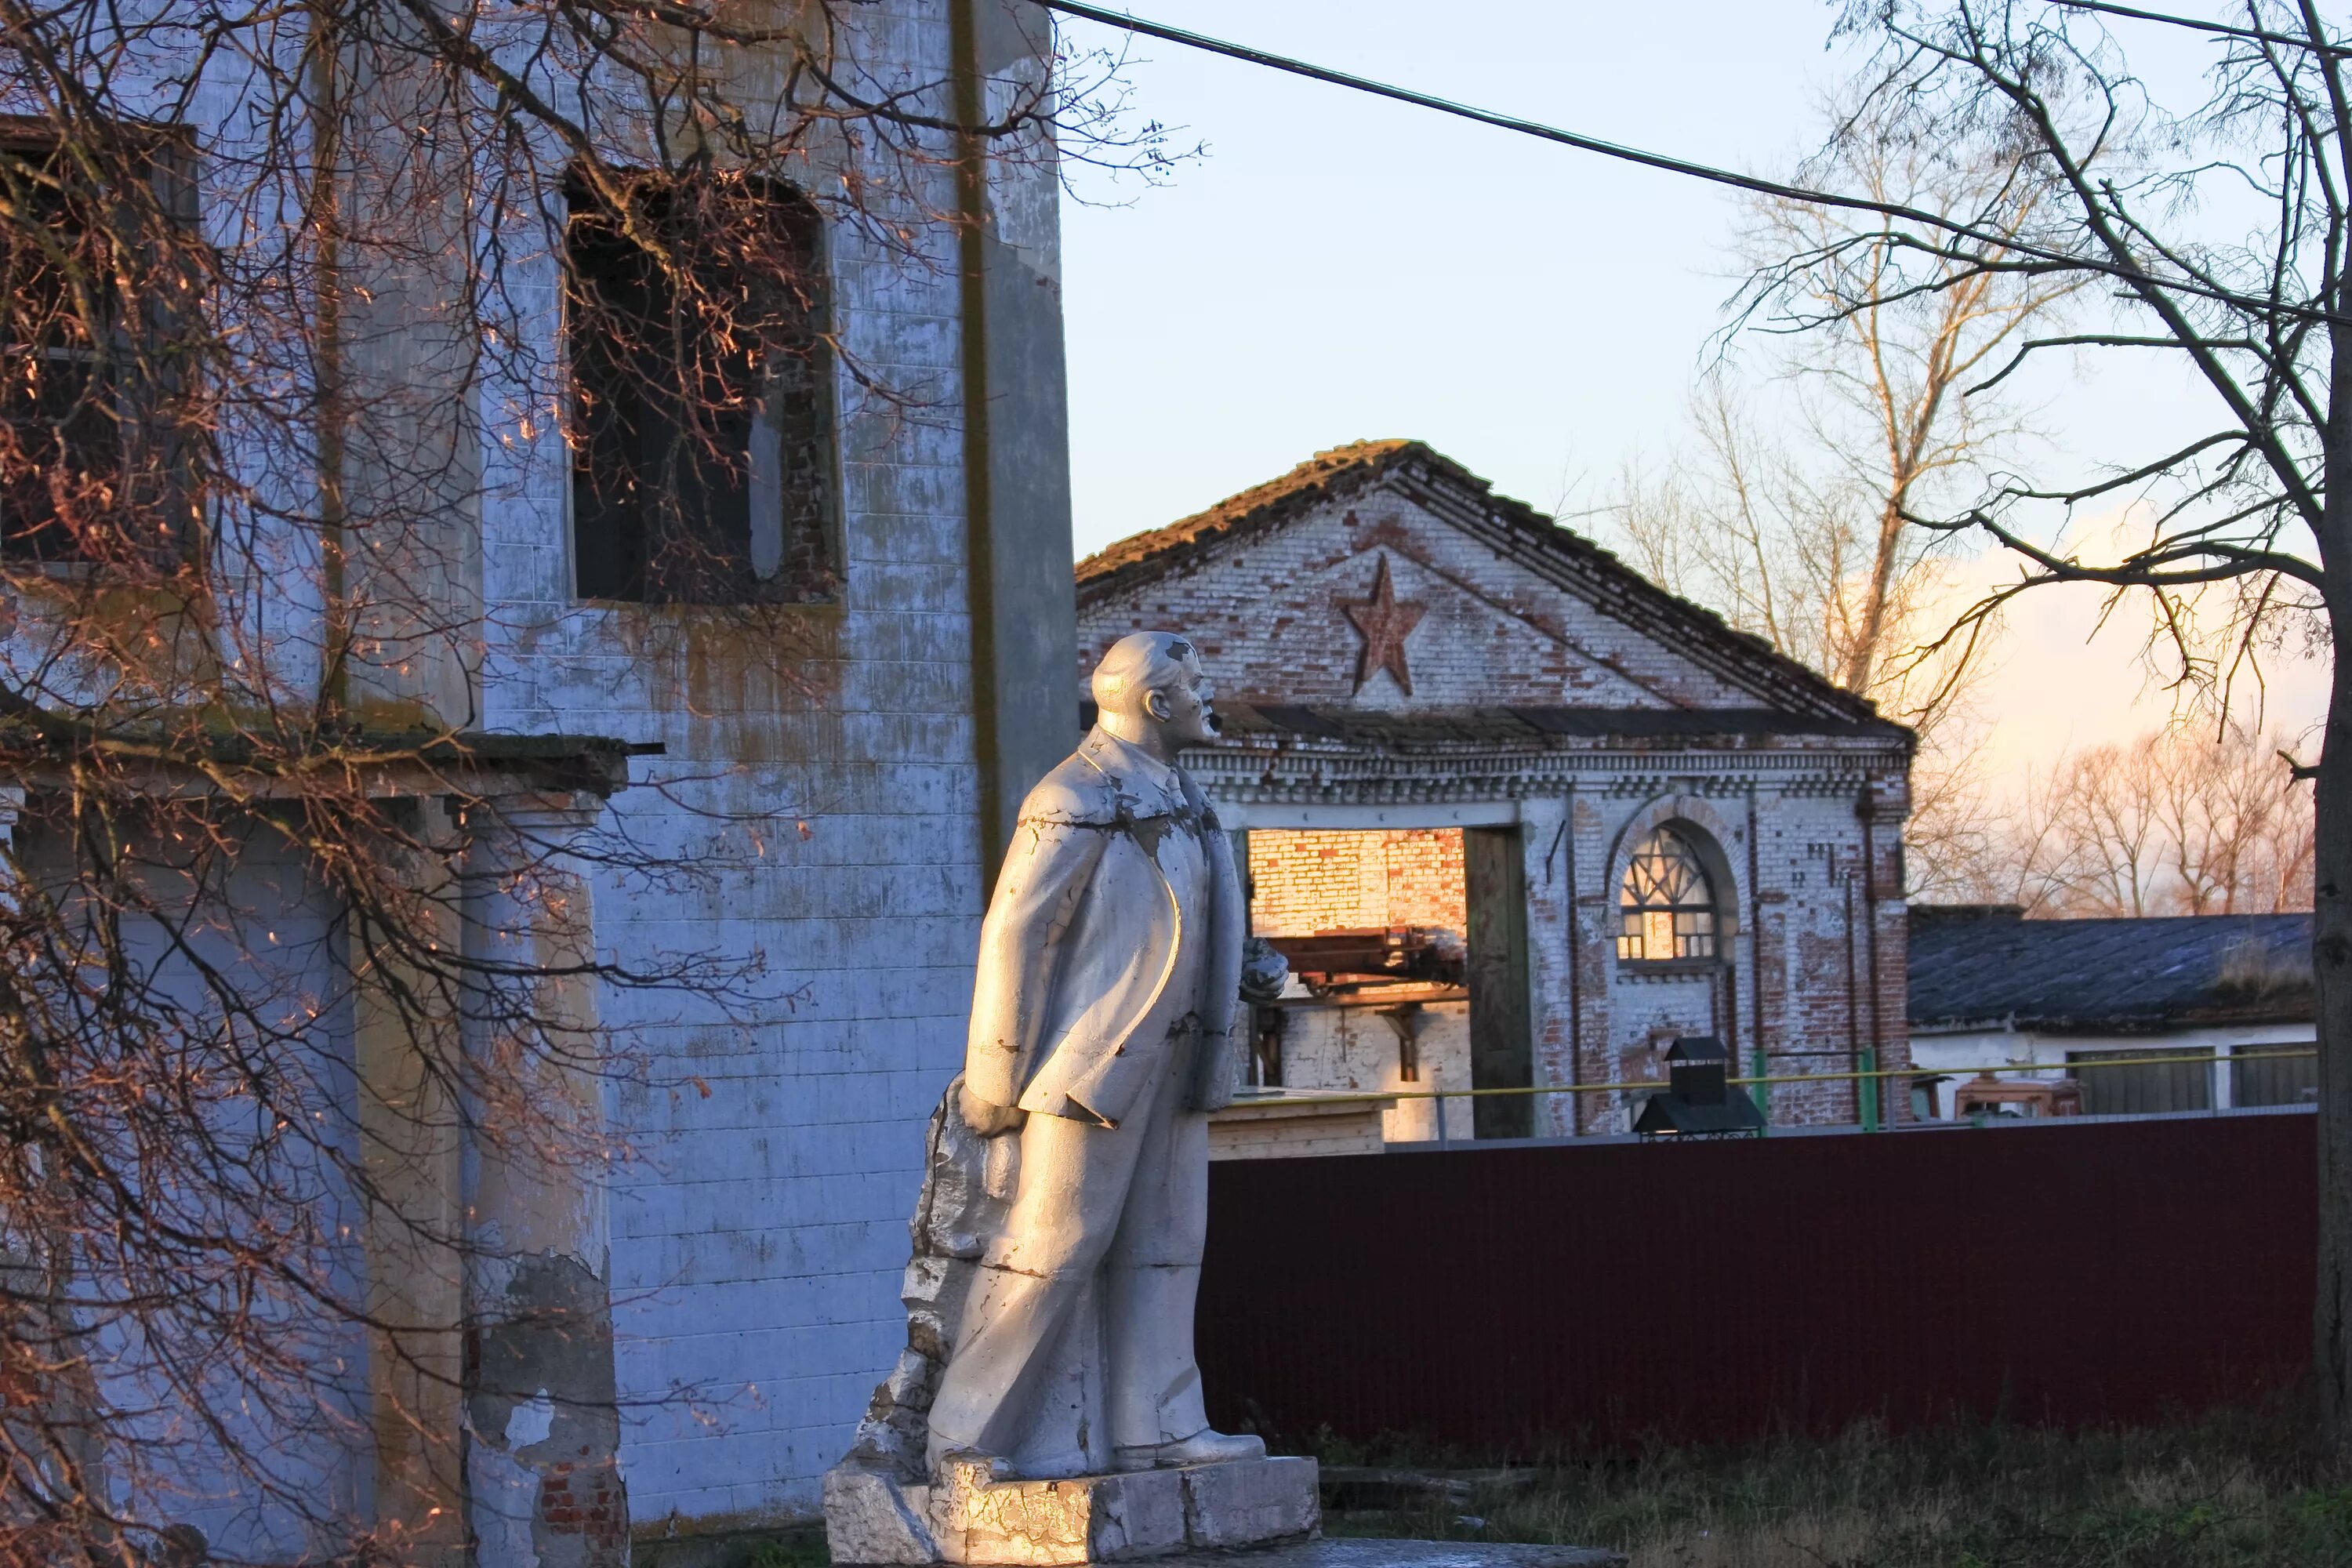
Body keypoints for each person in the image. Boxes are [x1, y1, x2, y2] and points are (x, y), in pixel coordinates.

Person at [923, 630, 1269, 1479]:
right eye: (1198, 682)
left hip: (1182, 1064)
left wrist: (1246, 971)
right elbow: (1016, 934)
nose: (1210, 694)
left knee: (1167, 1245)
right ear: (1156, 702)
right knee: (1052, 1245)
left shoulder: (1186, 796)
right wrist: (996, 1077)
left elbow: (1182, 919)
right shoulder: (1074, 793)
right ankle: (967, 1437)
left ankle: (1159, 1426)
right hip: (1091, 1070)